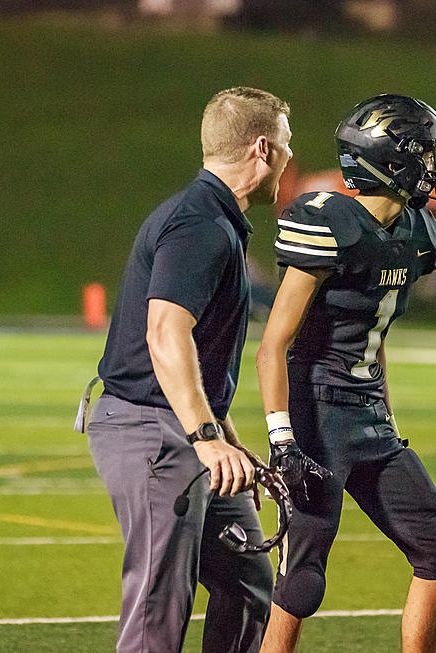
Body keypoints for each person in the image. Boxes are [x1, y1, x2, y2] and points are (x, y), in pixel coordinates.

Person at [78, 87, 293, 653]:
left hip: (182, 426)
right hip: (153, 430)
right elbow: (165, 331)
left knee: (247, 581)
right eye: (288, 146)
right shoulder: (200, 224)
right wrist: (204, 435)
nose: (292, 160)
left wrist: (219, 428)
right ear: (262, 149)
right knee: (159, 609)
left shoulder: (212, 217)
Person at [256, 95, 436, 653]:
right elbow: (274, 343)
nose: (433, 166)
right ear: (389, 161)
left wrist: (386, 413)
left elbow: (376, 339)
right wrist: (282, 437)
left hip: (369, 416)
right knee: (302, 580)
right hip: (318, 415)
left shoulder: (415, 230)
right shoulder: (326, 222)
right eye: (423, 153)